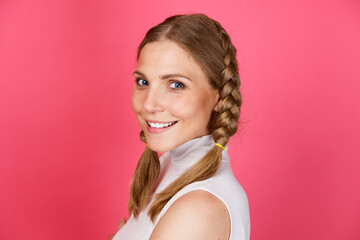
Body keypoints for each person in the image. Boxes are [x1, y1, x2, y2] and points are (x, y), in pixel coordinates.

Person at [110, 13, 250, 240]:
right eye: (143, 82)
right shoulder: (169, 166)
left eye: (176, 84)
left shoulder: (198, 209)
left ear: (219, 97)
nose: (149, 104)